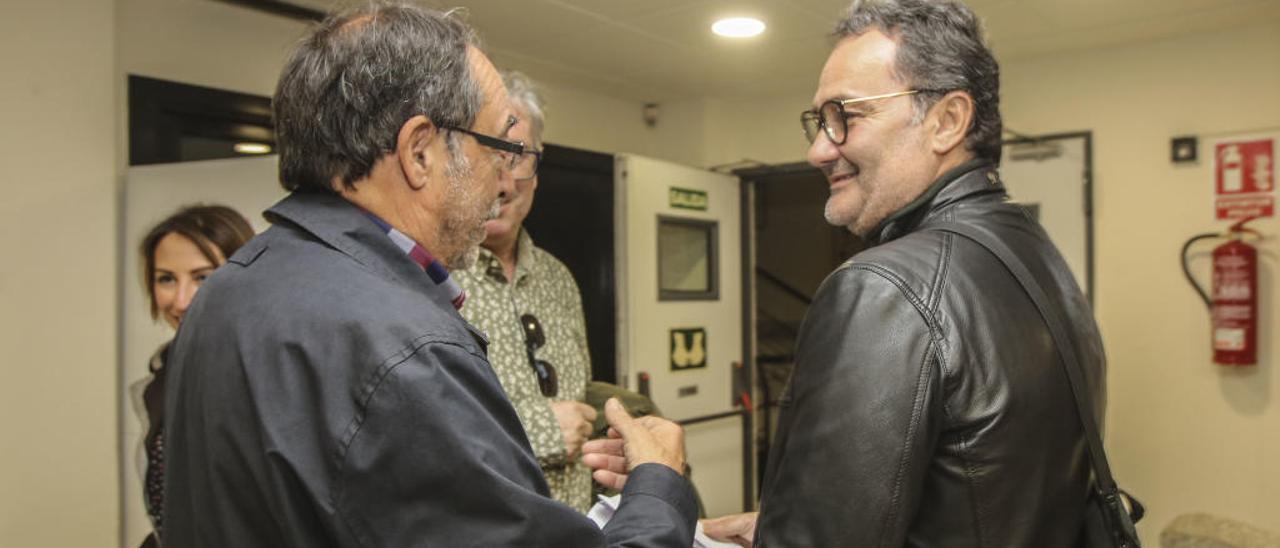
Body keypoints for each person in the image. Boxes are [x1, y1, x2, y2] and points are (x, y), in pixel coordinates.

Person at [162, 3, 697, 547]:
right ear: (419, 153)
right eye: (496, 149)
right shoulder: (405, 349)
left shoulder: (231, 286)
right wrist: (659, 485)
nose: (502, 182)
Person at [703, 0, 1107, 545]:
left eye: (847, 115)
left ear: (947, 121)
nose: (818, 148)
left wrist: (657, 506)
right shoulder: (1036, 259)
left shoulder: (884, 287)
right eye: (819, 120)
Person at [454, 70, 598, 513]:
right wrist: (541, 430)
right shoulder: (428, 276)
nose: (504, 180)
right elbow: (412, 432)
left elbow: (580, 395)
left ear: (537, 168)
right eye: (490, 153)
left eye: (517, 156)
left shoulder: (558, 278)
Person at [131, 204, 254, 547]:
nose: (181, 300)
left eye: (203, 277)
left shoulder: (267, 373)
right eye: (166, 279)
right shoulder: (164, 372)